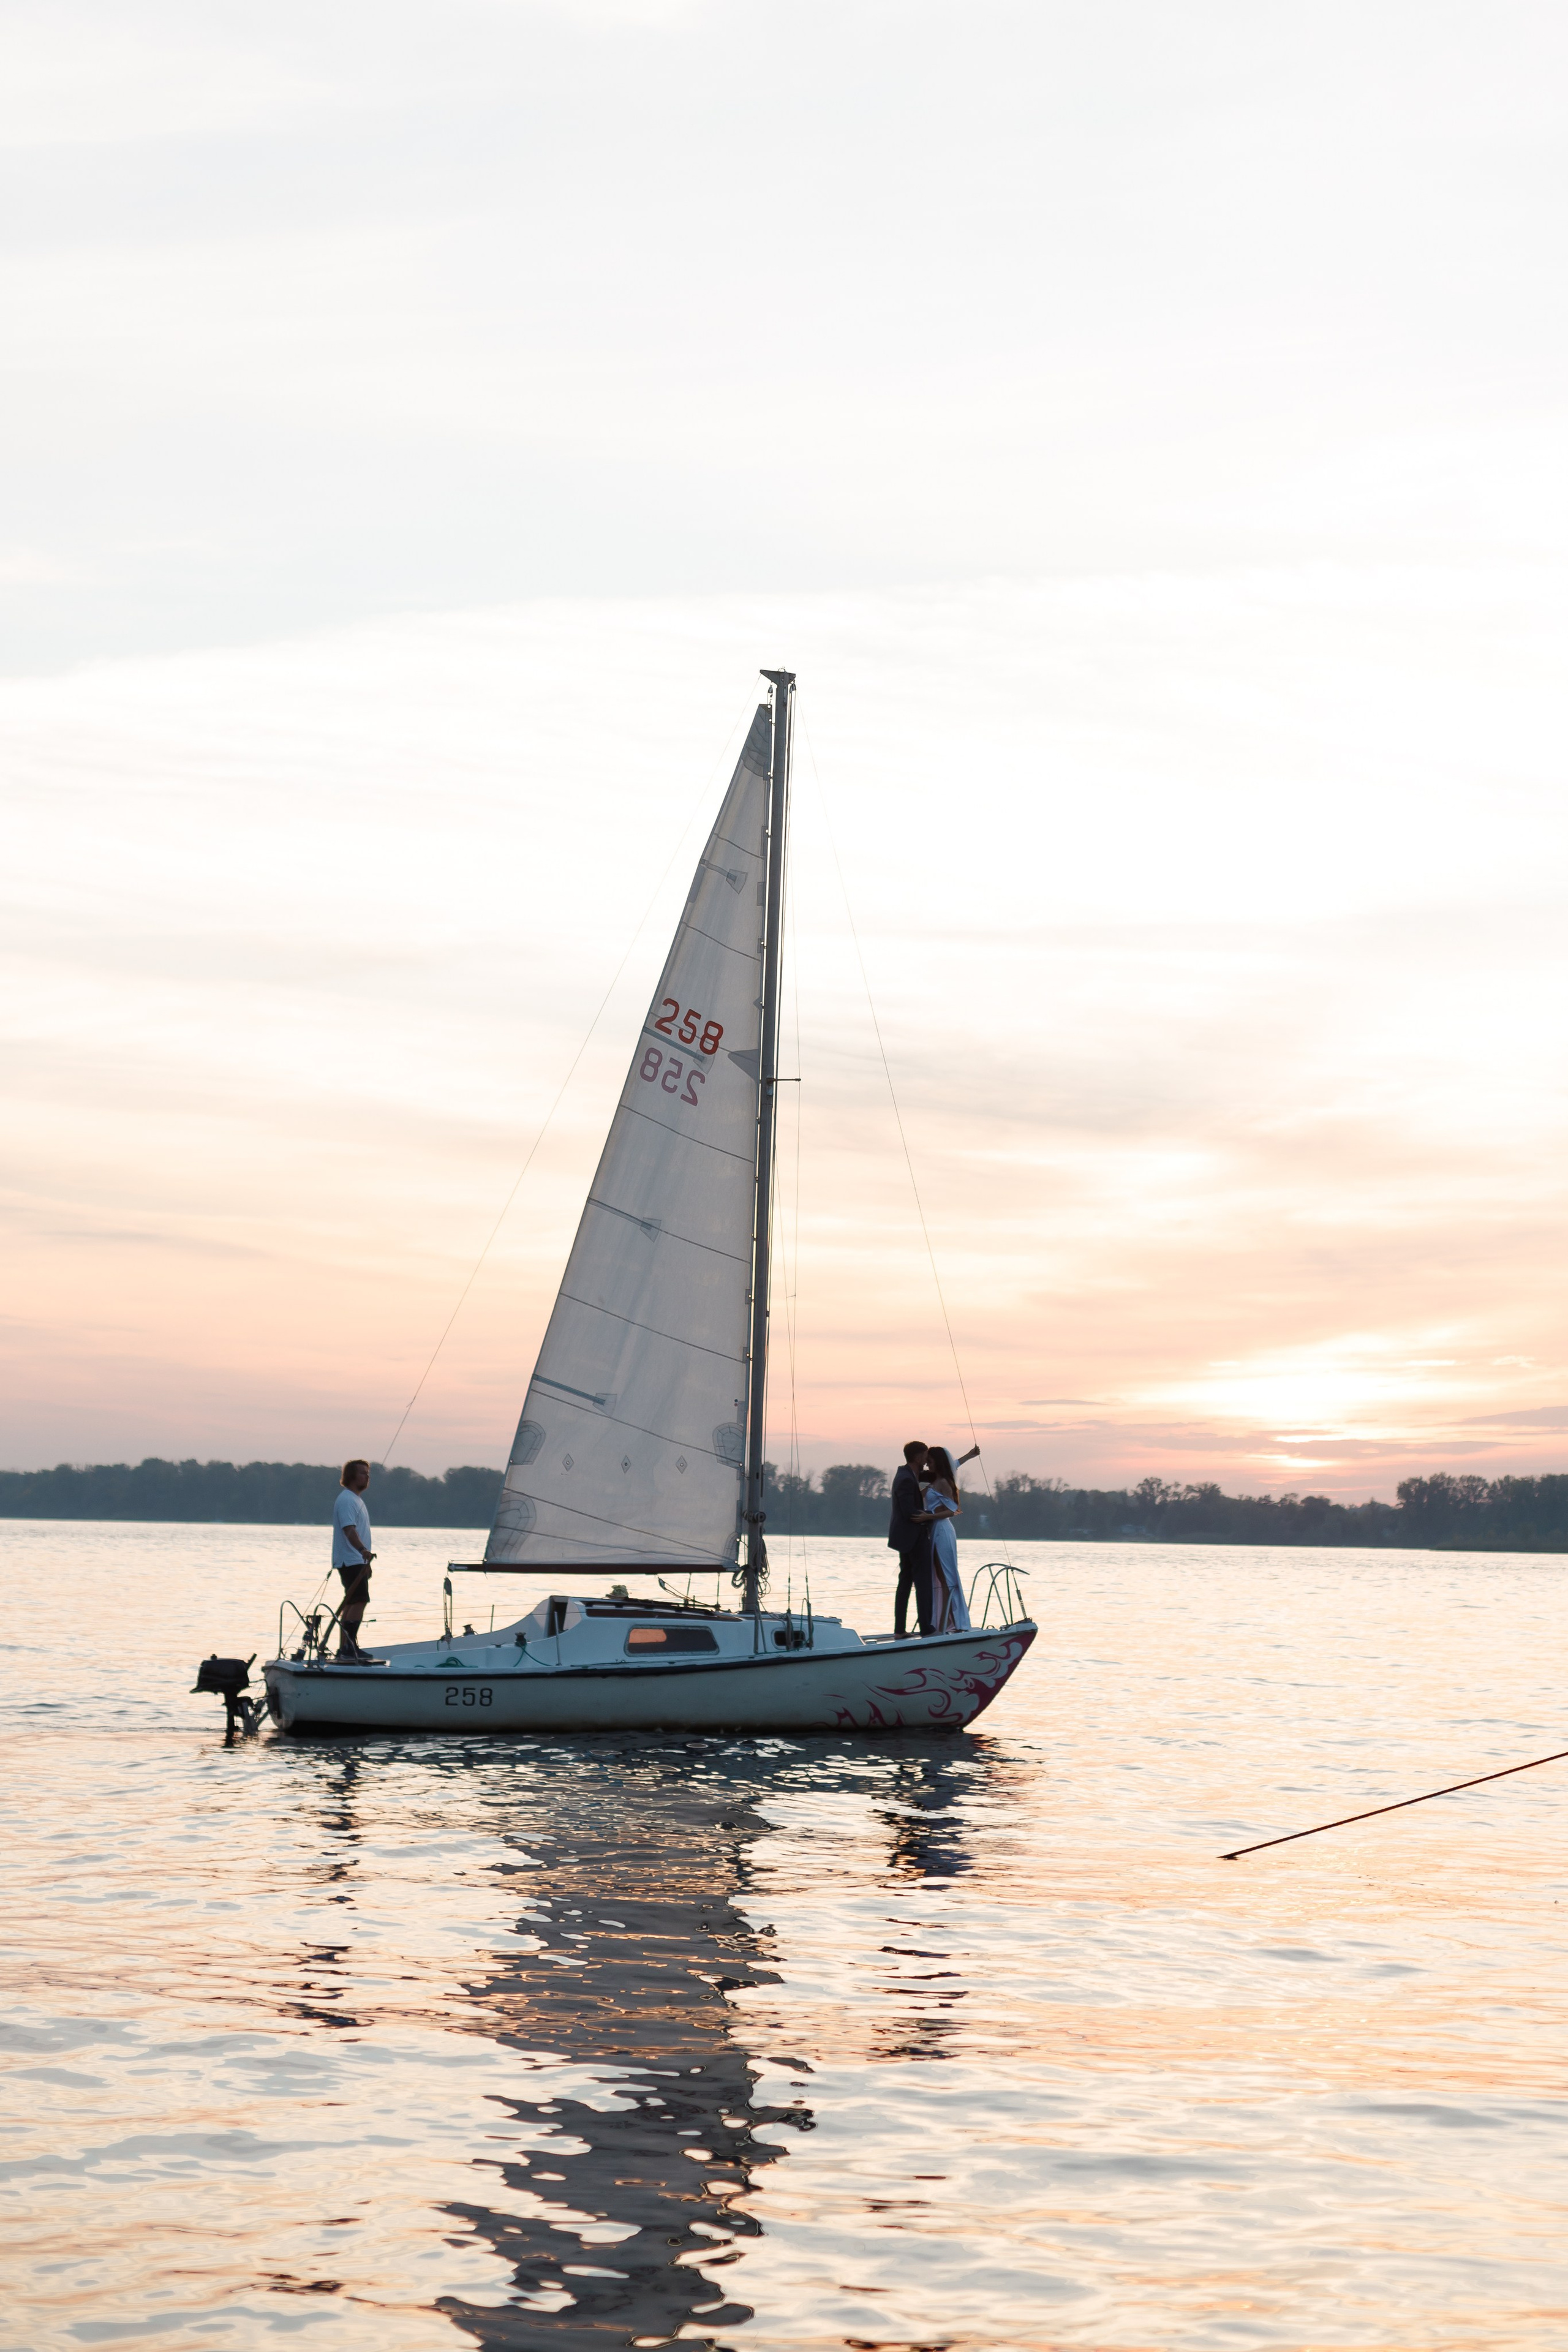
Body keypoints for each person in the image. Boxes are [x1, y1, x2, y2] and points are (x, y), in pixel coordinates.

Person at [923, 1444, 979, 1633]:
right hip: (935, 1531)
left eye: (930, 1462)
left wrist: (927, 1516)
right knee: (939, 1577)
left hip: (942, 1531)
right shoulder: (936, 1479)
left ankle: (949, 1624)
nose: (927, 1465)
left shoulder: (944, 1483)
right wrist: (969, 1456)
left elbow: (952, 1510)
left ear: (938, 1462)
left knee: (946, 1577)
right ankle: (944, 1622)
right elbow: (954, 1464)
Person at [888, 1439, 935, 1637]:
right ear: (917, 1457)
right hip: (912, 1538)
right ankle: (926, 1628)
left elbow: (938, 1473)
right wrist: (932, 1516)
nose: (927, 1460)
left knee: (906, 1582)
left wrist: (965, 1459)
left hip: (906, 1537)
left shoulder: (911, 1473)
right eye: (925, 1456)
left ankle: (900, 1630)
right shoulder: (906, 1479)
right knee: (922, 1583)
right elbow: (909, 1512)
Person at [332, 1459, 378, 1660]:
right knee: (359, 1601)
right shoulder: (347, 1500)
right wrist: (362, 1551)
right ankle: (348, 1648)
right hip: (351, 1560)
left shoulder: (356, 1500)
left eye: (368, 1474)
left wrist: (365, 1561)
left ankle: (346, 1647)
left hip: (358, 1560)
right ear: (351, 1476)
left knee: (353, 1602)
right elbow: (349, 1530)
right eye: (362, 1473)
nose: (367, 1477)